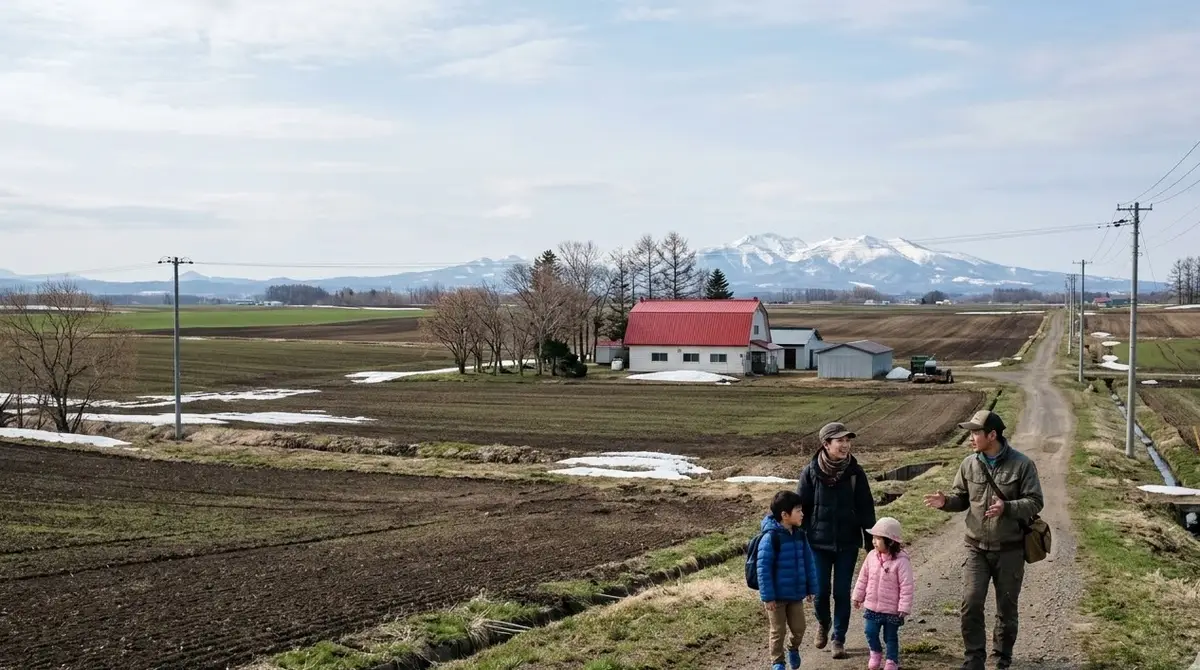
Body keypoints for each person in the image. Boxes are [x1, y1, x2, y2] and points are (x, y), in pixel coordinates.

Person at [923, 410, 1045, 670]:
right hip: (976, 548)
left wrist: (1007, 507)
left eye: (975, 432)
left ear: (992, 435)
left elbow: (1035, 502)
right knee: (971, 602)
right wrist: (946, 502)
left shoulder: (1022, 465)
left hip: (1010, 549)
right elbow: (961, 499)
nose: (970, 438)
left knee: (1006, 608)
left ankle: (1001, 659)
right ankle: (974, 659)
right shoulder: (969, 464)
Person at [797, 421, 877, 659]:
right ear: (826, 444)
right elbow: (801, 509)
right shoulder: (810, 471)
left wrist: (871, 542)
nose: (845, 445)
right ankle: (823, 622)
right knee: (820, 591)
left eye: (847, 440)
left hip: (847, 543)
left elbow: (866, 509)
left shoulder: (855, 473)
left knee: (842, 593)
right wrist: (798, 540)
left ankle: (838, 639)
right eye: (839, 441)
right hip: (817, 543)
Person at [756, 490, 820, 670]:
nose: (802, 514)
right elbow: (763, 569)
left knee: (799, 628)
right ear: (785, 515)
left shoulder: (800, 535)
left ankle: (793, 648)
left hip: (795, 594)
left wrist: (810, 588)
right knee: (778, 631)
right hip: (776, 597)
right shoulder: (770, 538)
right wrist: (767, 597)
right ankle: (778, 662)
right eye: (798, 510)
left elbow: (809, 562)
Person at [852, 517, 915, 670]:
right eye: (873, 537)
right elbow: (863, 577)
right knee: (869, 631)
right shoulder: (871, 557)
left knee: (890, 637)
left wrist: (904, 607)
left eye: (878, 538)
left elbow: (907, 586)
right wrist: (857, 596)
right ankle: (875, 652)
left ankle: (891, 661)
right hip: (872, 606)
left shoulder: (901, 561)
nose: (874, 541)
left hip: (892, 610)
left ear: (891, 541)